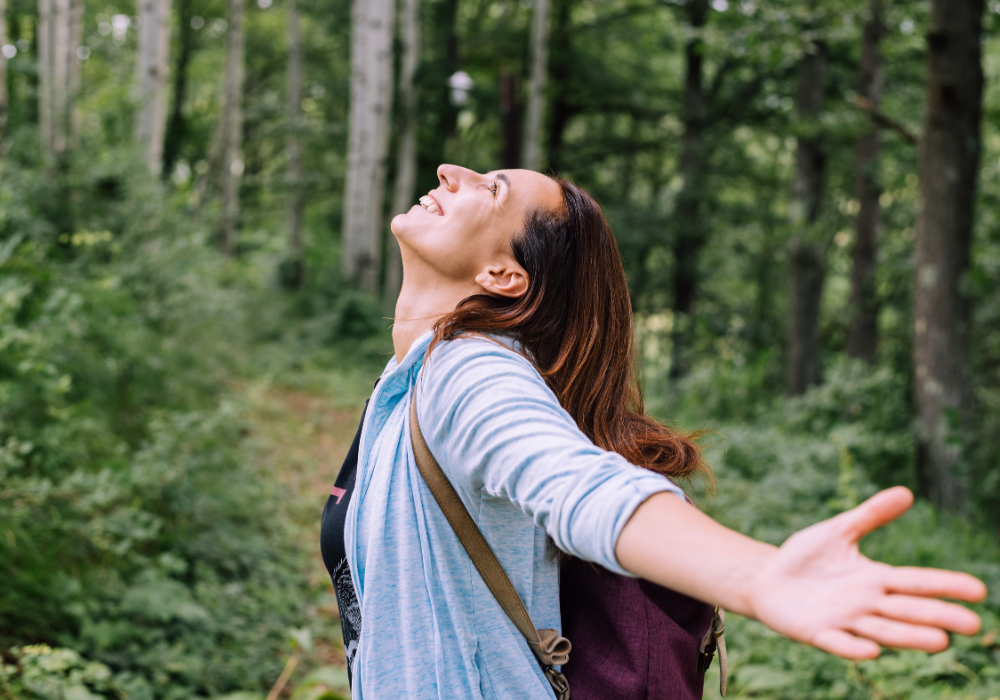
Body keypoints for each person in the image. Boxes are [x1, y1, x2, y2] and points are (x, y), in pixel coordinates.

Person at [320, 164, 987, 700]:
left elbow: (580, 485)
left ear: (503, 275)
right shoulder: (408, 375)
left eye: (490, 188)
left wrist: (756, 576)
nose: (449, 171)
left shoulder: (467, 374)